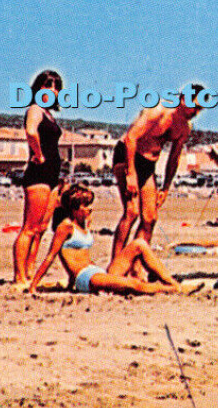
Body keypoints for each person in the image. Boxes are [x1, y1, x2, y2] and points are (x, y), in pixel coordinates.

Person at [29, 185, 192, 298]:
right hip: (86, 278)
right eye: (85, 205)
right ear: (74, 208)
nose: (90, 208)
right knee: (133, 285)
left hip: (97, 272)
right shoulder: (65, 227)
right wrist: (33, 286)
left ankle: (171, 283)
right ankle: (172, 289)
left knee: (140, 244)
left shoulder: (84, 223)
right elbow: (51, 256)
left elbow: (79, 254)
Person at [112, 85, 207, 266]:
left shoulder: (184, 128)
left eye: (200, 109)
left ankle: (135, 267)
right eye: (195, 106)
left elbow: (174, 159)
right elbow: (130, 138)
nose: (196, 112)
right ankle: (114, 266)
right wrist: (131, 174)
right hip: (127, 156)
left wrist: (165, 188)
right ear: (184, 99)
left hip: (148, 165)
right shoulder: (157, 111)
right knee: (132, 212)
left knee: (150, 218)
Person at [13, 69, 66, 290]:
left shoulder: (49, 114)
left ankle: (31, 270)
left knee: (43, 227)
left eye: (56, 85)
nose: (52, 89)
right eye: (48, 84)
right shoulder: (35, 109)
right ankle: (19, 276)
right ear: (38, 87)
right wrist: (38, 153)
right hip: (39, 174)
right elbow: (31, 132)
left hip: (53, 175)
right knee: (30, 227)